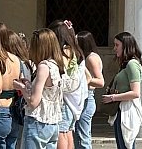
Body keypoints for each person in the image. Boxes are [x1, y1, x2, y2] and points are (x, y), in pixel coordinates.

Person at [15, 29, 65, 149]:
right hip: (52, 122)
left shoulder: (43, 66)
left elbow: (33, 102)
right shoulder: (56, 65)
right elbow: (47, 92)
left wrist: (21, 88)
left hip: (38, 121)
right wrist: (29, 85)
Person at [100, 32, 142, 149]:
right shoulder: (125, 64)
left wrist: (112, 98)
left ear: (126, 46)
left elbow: (135, 93)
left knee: (126, 145)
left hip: (127, 110)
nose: (114, 48)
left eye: (117, 45)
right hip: (121, 109)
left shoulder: (132, 64)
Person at [49, 20, 82, 149]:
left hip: (65, 97)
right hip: (73, 97)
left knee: (61, 131)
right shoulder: (73, 50)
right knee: (68, 130)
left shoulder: (63, 52)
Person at [74, 31, 105, 149]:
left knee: (83, 137)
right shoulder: (88, 57)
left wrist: (86, 79)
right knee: (80, 135)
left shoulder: (91, 58)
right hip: (84, 98)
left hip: (88, 98)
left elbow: (100, 81)